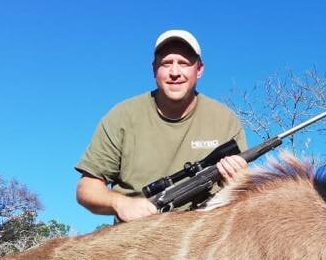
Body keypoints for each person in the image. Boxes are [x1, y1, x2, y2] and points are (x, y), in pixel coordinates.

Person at [75, 29, 248, 222]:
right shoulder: (122, 116)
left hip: (203, 236)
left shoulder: (225, 120)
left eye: (184, 63)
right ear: (154, 69)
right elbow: (86, 188)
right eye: (166, 64)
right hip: (134, 236)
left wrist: (240, 182)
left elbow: (242, 196)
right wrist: (122, 203)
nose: (175, 72)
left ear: (199, 70)